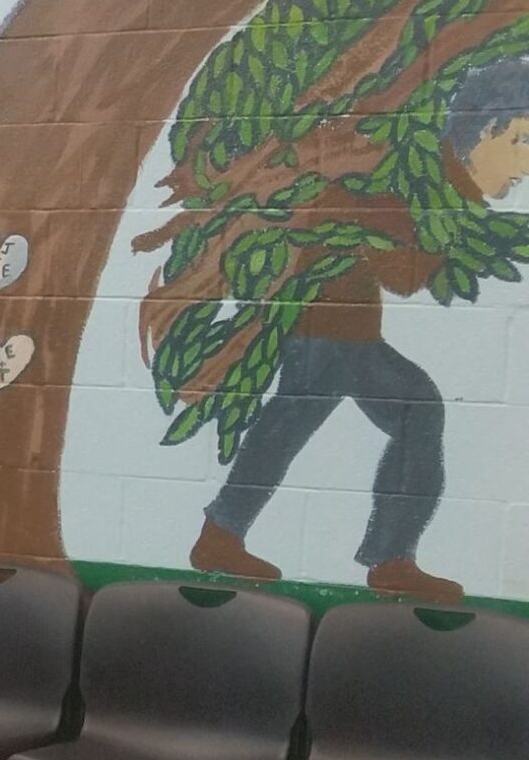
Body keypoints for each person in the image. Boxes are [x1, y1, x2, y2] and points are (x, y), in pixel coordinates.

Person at [189, 51, 529, 603]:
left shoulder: (429, 180)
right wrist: (451, 227)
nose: (525, 164)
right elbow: (404, 273)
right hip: (329, 327)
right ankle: (381, 558)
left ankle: (234, 536)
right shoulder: (415, 177)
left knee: (324, 419)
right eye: (520, 141)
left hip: (343, 329)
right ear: (486, 129)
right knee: (345, 416)